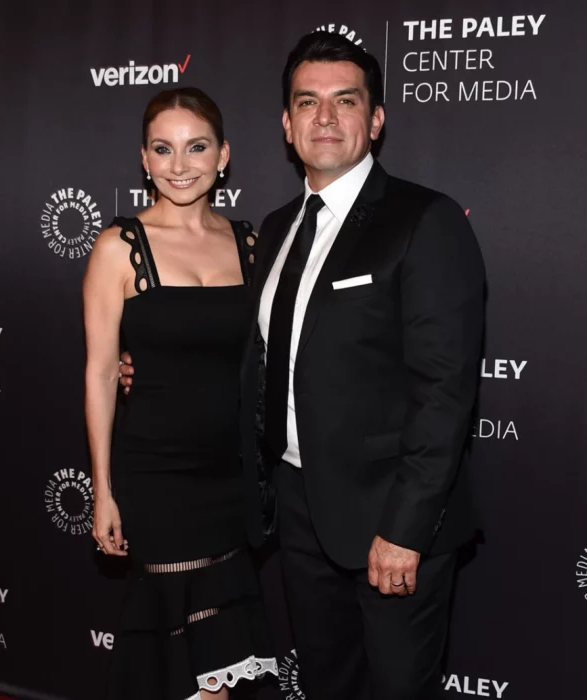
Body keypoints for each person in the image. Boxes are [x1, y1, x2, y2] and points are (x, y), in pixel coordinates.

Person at [121, 32, 485, 700]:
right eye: (307, 102)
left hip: (389, 523)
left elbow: (445, 392)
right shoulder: (278, 225)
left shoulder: (423, 221)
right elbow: (251, 351)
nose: (325, 117)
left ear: (374, 119)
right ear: (286, 126)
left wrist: (403, 531)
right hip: (296, 513)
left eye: (344, 101)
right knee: (326, 684)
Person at [83, 87, 277, 700]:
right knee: (180, 651)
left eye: (196, 147)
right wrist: (102, 490)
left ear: (224, 155)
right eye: (163, 149)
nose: (180, 164)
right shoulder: (118, 246)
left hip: (232, 472)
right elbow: (100, 373)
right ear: (144, 158)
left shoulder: (253, 246)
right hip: (156, 474)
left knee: (218, 661)